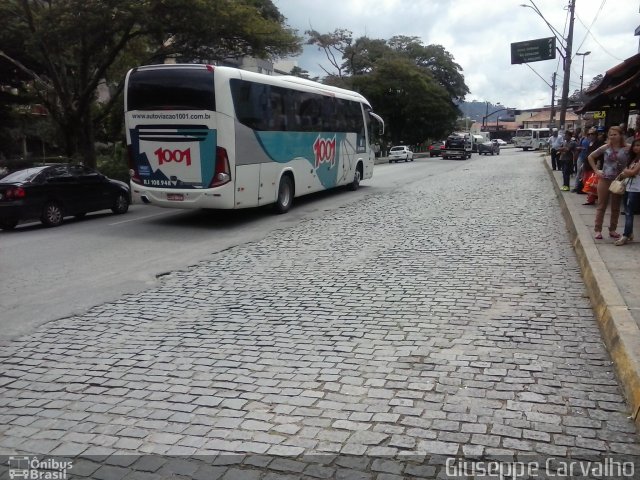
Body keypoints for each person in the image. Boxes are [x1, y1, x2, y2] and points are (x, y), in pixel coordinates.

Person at [586, 125, 630, 240]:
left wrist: (630, 171)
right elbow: (590, 157)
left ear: (621, 135)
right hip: (605, 179)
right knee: (601, 205)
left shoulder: (627, 149)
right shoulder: (605, 148)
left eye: (615, 134)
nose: (613, 136)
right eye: (611, 134)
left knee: (615, 207)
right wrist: (596, 170)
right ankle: (598, 230)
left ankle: (612, 229)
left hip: (619, 180)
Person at [614, 139, 640, 245]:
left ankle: (625, 235)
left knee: (629, 212)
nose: (636, 147)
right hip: (629, 187)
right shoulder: (633, 159)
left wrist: (625, 170)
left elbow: (633, 172)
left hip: (636, 189)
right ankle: (629, 233)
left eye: (639, 145)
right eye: (635, 145)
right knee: (628, 211)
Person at [573, 128, 590, 193]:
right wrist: (580, 148)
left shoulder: (591, 140)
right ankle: (576, 187)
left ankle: (585, 187)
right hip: (581, 157)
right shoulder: (583, 138)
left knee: (585, 173)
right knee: (579, 172)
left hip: (587, 158)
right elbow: (578, 147)